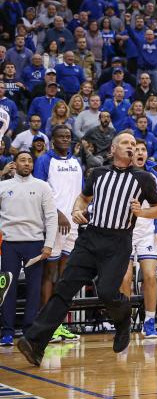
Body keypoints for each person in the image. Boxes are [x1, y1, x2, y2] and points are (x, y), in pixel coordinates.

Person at [17, 132, 157, 366]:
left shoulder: (144, 178)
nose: (131, 147)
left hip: (118, 241)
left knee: (107, 292)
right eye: (126, 143)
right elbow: (84, 199)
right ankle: (34, 342)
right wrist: (76, 210)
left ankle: (124, 319)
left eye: (134, 144)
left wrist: (142, 213)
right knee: (64, 288)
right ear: (113, 149)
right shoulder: (98, 174)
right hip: (90, 238)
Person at [32, 124, 83, 344]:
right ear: (53, 139)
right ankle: (45, 326)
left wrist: (80, 212)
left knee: (65, 276)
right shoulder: (45, 160)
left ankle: (59, 325)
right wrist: (59, 214)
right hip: (54, 222)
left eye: (68, 137)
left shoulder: (75, 162)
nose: (65, 139)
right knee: (49, 273)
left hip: (74, 223)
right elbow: (40, 191)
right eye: (61, 136)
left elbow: (81, 193)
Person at [0, 152, 57, 346]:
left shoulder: (42, 187)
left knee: (34, 290)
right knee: (7, 289)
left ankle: (29, 332)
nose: (27, 163)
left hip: (35, 244)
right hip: (9, 245)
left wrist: (49, 244)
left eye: (30, 160)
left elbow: (51, 217)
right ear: (14, 163)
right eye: (23, 160)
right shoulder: (3, 186)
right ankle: (7, 332)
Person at [120, 140, 157, 340]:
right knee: (125, 279)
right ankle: (125, 322)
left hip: (147, 231)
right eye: (136, 149)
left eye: (143, 150)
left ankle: (149, 321)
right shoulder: (121, 175)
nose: (140, 152)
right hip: (125, 231)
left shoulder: (155, 177)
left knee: (150, 276)